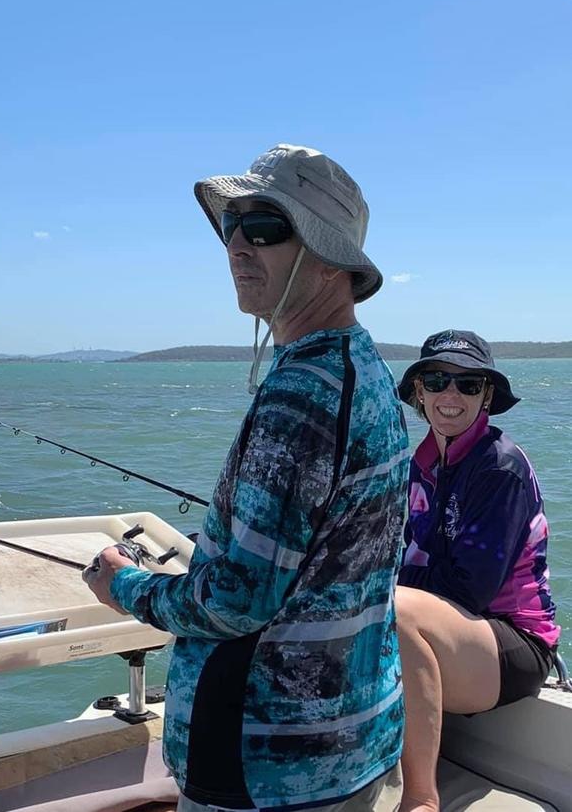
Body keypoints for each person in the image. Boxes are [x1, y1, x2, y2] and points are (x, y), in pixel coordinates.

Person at [84, 144, 409, 812]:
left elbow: (237, 600)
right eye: (230, 225)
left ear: (331, 259)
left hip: (268, 765)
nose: (236, 245)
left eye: (264, 226)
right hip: (354, 741)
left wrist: (122, 584)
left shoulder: (300, 396)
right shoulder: (364, 368)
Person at [395, 329, 559, 812]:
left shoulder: (498, 468)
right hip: (460, 635)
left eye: (468, 385)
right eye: (438, 380)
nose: (451, 394)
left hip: (513, 646)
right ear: (419, 392)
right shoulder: (421, 464)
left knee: (396, 609)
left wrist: (376, 583)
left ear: (486, 396)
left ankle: (422, 798)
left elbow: (470, 589)